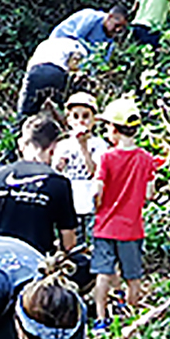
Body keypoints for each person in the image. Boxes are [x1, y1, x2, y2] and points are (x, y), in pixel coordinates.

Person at [90, 97, 162, 329]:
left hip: (105, 226)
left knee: (103, 273)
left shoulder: (106, 158)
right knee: (133, 276)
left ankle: (101, 320)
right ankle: (132, 318)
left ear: (113, 129)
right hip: (132, 228)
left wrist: (98, 205)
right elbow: (150, 194)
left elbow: (97, 190)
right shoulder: (145, 159)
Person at [0, 115, 80, 255]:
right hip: (35, 262)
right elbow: (69, 242)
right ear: (53, 148)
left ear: (21, 144)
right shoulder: (58, 183)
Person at [51, 91, 108, 248]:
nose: (81, 121)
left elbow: (96, 172)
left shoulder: (98, 144)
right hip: (69, 203)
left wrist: (83, 146)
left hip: (90, 203)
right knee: (70, 244)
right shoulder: (63, 145)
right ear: (69, 120)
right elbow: (55, 173)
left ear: (93, 120)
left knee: (92, 244)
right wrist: (59, 165)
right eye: (76, 116)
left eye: (85, 116)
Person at [17, 35, 86, 119]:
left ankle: (20, 126)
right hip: (56, 73)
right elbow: (74, 61)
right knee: (61, 105)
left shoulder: (44, 44)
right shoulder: (75, 44)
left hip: (35, 73)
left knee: (28, 109)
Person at [49, 5, 132, 65]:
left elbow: (103, 61)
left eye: (121, 28)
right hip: (62, 42)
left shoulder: (111, 38)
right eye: (116, 25)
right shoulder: (92, 17)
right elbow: (77, 38)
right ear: (109, 17)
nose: (117, 30)